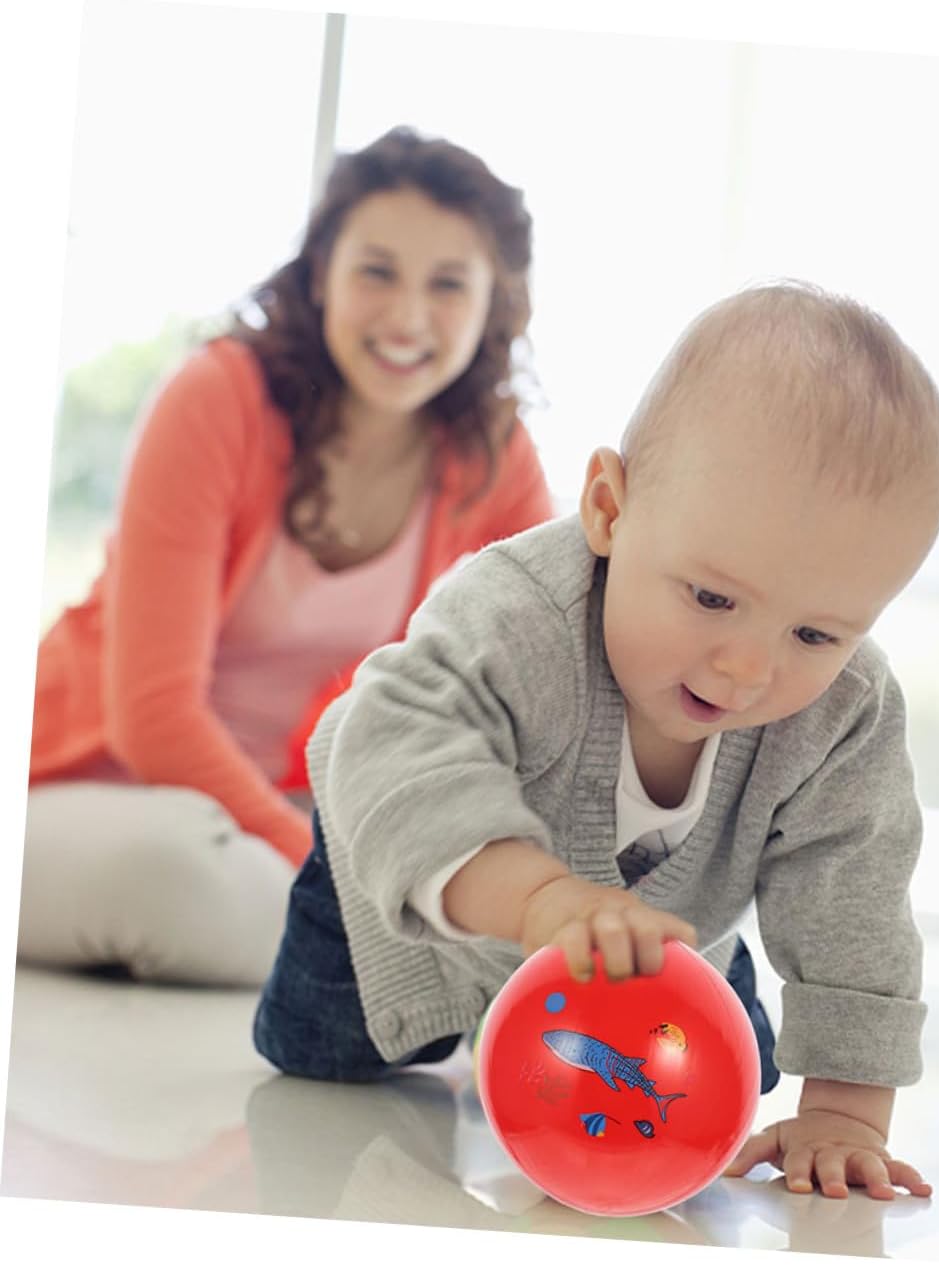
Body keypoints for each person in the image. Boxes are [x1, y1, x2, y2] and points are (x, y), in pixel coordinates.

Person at [253, 280, 939, 1200]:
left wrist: (846, 1112)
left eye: (816, 634)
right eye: (711, 597)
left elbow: (853, 894)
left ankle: (690, 970)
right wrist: (538, 899)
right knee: (321, 1055)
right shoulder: (516, 616)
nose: (746, 667)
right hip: (400, 875)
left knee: (738, 1067)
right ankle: (443, 1006)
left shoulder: (845, 712)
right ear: (609, 510)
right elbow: (400, 739)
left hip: (640, 931)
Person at [19, 126, 556, 988]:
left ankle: (372, 957)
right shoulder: (217, 397)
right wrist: (327, 867)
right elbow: (152, 717)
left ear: (493, 303)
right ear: (320, 275)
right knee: (176, 869)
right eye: (376, 272)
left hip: (265, 808)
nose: (406, 317)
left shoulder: (490, 455)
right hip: (86, 785)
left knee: (426, 865)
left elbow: (553, 669)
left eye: (448, 284)